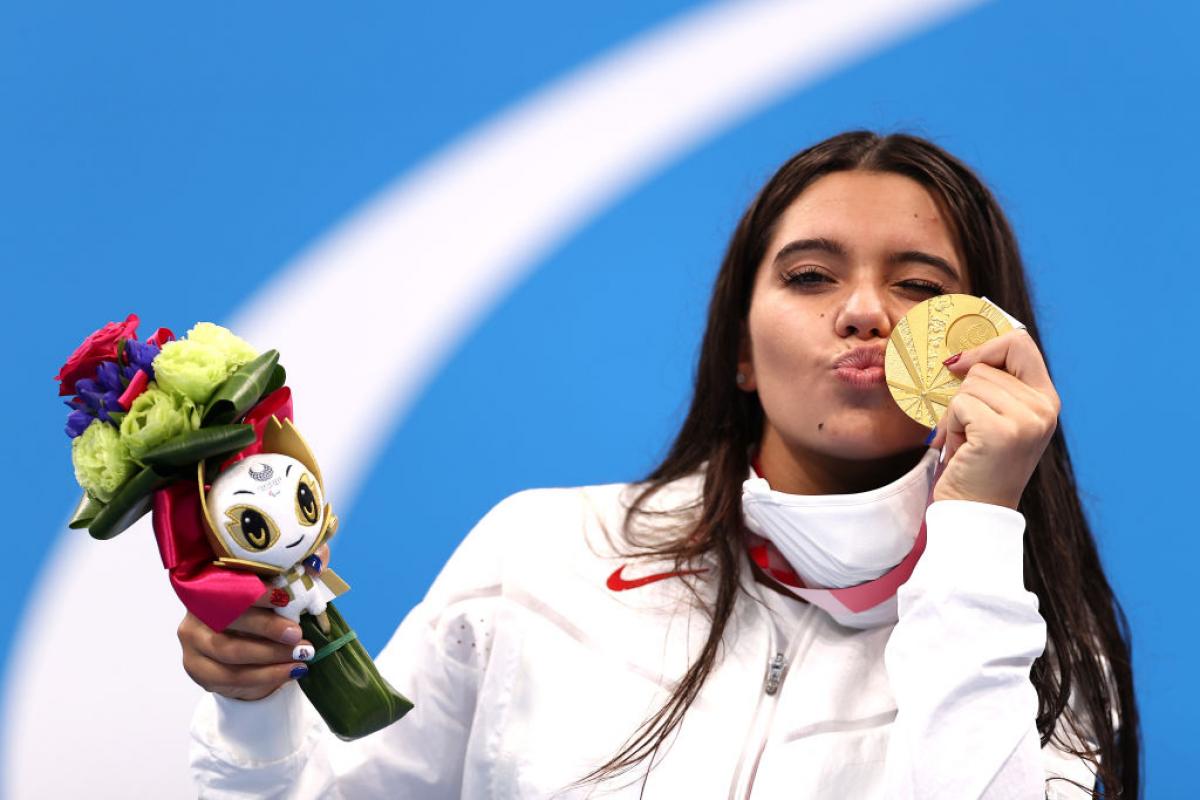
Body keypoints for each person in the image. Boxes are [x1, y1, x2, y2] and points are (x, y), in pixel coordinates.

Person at [180, 130, 1139, 798]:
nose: (864, 312)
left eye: (920, 287)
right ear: (737, 348)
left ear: (986, 345)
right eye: (810, 276)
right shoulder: (543, 552)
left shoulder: (1039, 648)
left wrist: (976, 527)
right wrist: (250, 712)